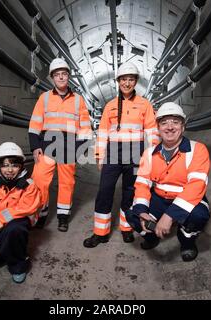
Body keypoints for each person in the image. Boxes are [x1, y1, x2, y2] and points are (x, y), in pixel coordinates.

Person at [83, 62, 159, 248]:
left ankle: (127, 229)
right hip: (113, 154)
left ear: (135, 81)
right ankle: (100, 233)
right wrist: (99, 155)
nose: (127, 83)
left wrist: (154, 154)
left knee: (130, 192)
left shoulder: (144, 104)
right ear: (118, 81)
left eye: (130, 79)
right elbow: (102, 133)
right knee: (105, 191)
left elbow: (152, 131)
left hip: (136, 153)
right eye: (124, 79)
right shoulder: (109, 106)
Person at [125, 102, 211, 262]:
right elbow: (142, 183)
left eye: (175, 122)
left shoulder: (198, 149)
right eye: (164, 123)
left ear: (183, 127)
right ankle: (152, 238)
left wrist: (170, 215)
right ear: (158, 128)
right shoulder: (149, 153)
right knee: (132, 214)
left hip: (187, 198)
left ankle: (187, 241)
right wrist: (143, 211)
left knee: (198, 216)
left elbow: (196, 186)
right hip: (159, 199)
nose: (169, 127)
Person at [28, 58, 92, 232]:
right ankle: (40, 214)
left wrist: (78, 150)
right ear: (52, 78)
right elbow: (35, 124)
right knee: (39, 180)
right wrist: (35, 146)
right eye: (57, 75)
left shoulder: (78, 100)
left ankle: (63, 217)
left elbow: (86, 128)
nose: (61, 78)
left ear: (68, 77)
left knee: (67, 182)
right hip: (47, 144)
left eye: (64, 74)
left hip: (69, 146)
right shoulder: (44, 98)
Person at [0, 142, 42, 283]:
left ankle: (19, 265)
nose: (10, 169)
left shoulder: (29, 186)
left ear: (21, 166)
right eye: (5, 165)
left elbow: (22, 209)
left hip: (19, 225)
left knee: (14, 228)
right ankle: (6, 246)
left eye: (14, 165)